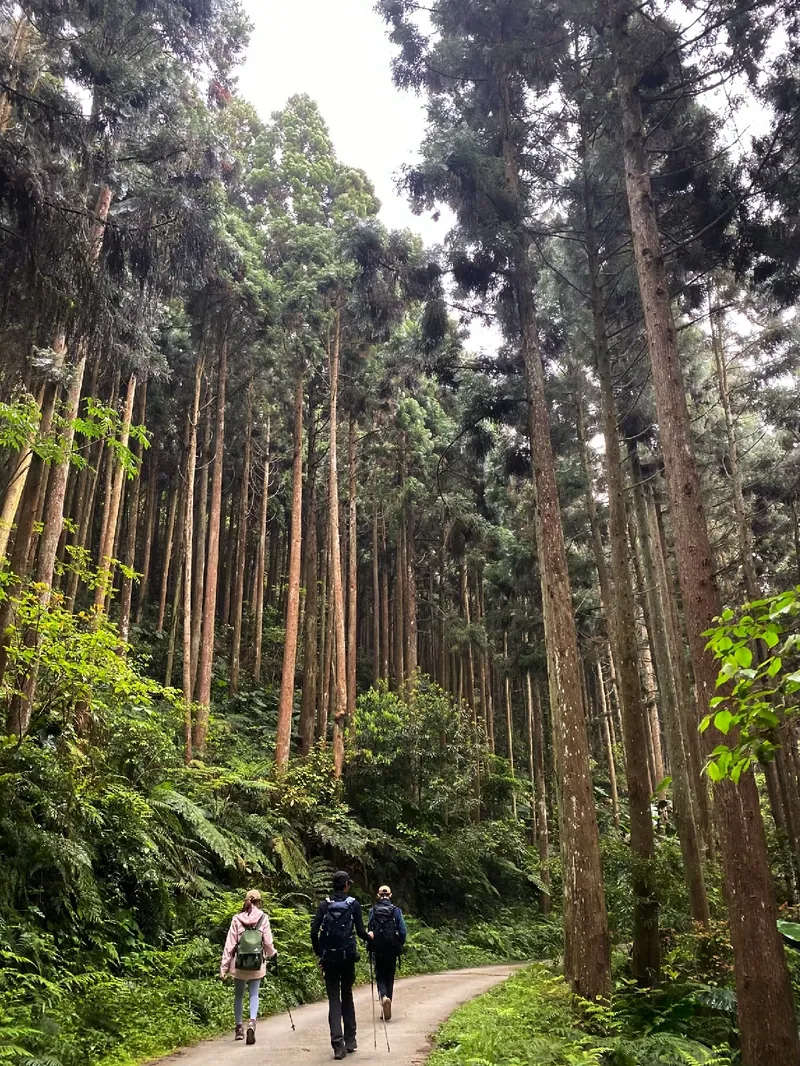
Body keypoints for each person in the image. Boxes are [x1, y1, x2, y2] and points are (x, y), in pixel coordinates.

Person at [311, 870, 372, 1059]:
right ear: (346, 885)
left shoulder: (324, 905)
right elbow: (361, 931)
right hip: (347, 958)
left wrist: (320, 954)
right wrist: (369, 937)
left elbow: (314, 932)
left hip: (329, 959)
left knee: (333, 1000)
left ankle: (338, 1046)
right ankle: (351, 1040)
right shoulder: (353, 904)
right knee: (347, 995)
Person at [220, 889, 277, 1045]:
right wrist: (273, 954)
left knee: (238, 995)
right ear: (259, 902)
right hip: (257, 963)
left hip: (239, 963)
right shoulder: (263, 918)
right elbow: (268, 941)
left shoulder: (237, 919)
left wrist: (223, 967)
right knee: (253, 994)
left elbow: (230, 944)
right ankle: (252, 1022)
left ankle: (239, 1028)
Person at [368, 885, 407, 1021]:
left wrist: (371, 944)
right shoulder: (396, 910)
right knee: (390, 975)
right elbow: (402, 930)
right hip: (391, 947)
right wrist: (399, 944)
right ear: (390, 895)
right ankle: (388, 999)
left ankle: (383, 996)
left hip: (378, 947)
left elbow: (369, 929)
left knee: (380, 976)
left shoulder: (373, 910)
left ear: (378, 896)